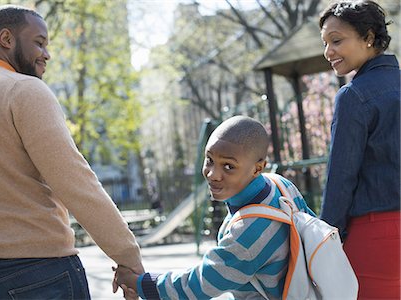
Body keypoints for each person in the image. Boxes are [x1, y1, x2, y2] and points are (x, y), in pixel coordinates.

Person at [0, 5, 143, 299]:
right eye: (39, 43)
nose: (47, 54)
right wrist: (128, 257)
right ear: (7, 38)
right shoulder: (24, 89)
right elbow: (75, 182)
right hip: (39, 274)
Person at [114, 116, 315, 299]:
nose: (212, 174)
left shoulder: (249, 233)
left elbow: (197, 286)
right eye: (209, 160)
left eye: (228, 166)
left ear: (257, 168)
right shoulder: (281, 185)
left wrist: (137, 282)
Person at [319, 1, 400, 299]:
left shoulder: (354, 95)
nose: (329, 52)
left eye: (337, 40)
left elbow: (341, 178)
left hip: (375, 236)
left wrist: (324, 240)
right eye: (325, 43)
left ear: (368, 37)